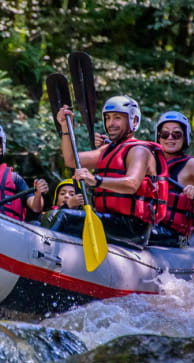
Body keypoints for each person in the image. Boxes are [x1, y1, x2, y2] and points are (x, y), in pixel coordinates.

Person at [56, 96, 168, 249]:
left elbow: (131, 184)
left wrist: (96, 180)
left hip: (132, 228)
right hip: (110, 220)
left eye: (117, 118)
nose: (111, 124)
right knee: (53, 216)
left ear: (134, 121)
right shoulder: (108, 149)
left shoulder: (139, 150)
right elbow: (71, 160)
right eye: (108, 118)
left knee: (63, 217)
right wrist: (65, 127)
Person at [149, 111, 194, 247]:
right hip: (149, 225)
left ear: (184, 137)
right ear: (158, 137)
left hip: (174, 236)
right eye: (165, 134)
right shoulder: (151, 161)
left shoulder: (191, 165)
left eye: (176, 134)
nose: (170, 138)